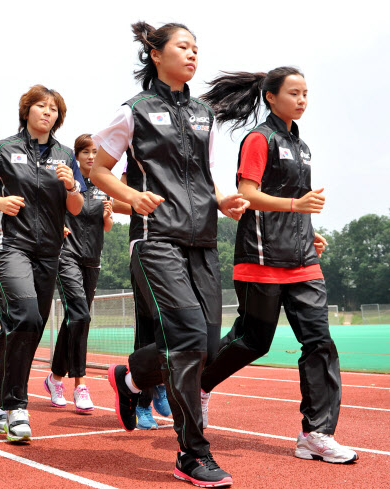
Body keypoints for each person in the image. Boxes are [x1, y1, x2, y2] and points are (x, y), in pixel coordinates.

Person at [90, 22, 248, 487]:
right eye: (183, 46)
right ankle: (192, 455)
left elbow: (205, 173)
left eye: (197, 48)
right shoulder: (134, 111)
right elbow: (99, 168)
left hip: (202, 239)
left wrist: (222, 201)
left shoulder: (203, 113)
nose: (193, 54)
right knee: (187, 340)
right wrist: (130, 197)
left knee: (208, 346)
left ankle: (131, 378)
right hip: (155, 238)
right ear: (156, 54)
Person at [198, 67, 358, 464]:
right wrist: (294, 208)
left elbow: (300, 199)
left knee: (319, 342)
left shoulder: (302, 147)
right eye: (294, 92)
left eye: (306, 93)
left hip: (303, 260)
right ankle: (198, 387)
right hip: (262, 257)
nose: (302, 99)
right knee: (254, 341)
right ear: (271, 97)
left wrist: (308, 229)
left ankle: (316, 434)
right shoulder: (259, 138)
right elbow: (247, 194)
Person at [0, 84, 86, 441]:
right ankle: (16, 406)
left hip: (49, 251)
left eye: (53, 109)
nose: (47, 112)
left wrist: (71, 188)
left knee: (26, 327)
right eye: (41, 106)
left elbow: (77, 209)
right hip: (10, 246)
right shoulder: (3, 149)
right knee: (26, 316)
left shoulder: (66, 156)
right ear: (27, 111)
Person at [43, 134, 112, 414]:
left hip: (92, 259)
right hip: (67, 255)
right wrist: (58, 225)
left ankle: (54, 378)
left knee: (74, 318)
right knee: (81, 315)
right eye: (86, 152)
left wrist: (108, 216)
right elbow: (49, 210)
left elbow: (105, 227)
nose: (92, 156)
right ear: (77, 155)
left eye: (96, 152)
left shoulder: (102, 185)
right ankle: (80, 385)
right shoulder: (67, 181)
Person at [113, 172, 171, 429]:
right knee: (148, 327)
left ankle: (159, 381)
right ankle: (141, 401)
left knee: (177, 326)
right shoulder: (138, 157)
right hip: (149, 246)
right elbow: (115, 201)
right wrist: (140, 202)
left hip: (182, 248)